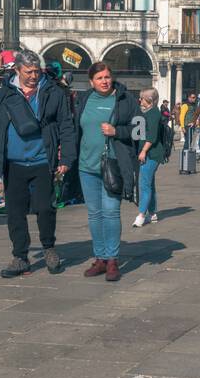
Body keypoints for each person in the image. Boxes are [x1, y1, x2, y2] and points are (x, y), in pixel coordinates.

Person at [0, 50, 76, 278]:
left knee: (45, 208)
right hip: (13, 163)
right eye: (28, 72)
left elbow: (66, 127)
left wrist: (66, 158)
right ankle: (20, 256)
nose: (33, 76)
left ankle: (49, 247)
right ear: (17, 71)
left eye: (36, 71)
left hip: (44, 160)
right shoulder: (2, 96)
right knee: (15, 212)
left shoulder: (54, 92)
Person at [69, 62, 137, 281]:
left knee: (110, 212)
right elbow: (75, 128)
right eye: (99, 78)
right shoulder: (84, 99)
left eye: (107, 77)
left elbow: (140, 129)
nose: (105, 81)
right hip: (86, 166)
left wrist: (117, 131)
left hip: (113, 165)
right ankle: (100, 258)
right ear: (91, 82)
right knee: (94, 214)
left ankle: (112, 260)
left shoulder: (125, 99)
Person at [133, 87, 166, 227]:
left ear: (150, 100)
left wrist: (143, 151)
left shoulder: (153, 113)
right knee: (149, 183)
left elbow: (151, 136)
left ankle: (141, 215)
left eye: (142, 98)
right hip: (148, 152)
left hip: (151, 153)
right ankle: (152, 213)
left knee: (144, 184)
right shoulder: (147, 112)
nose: (140, 100)